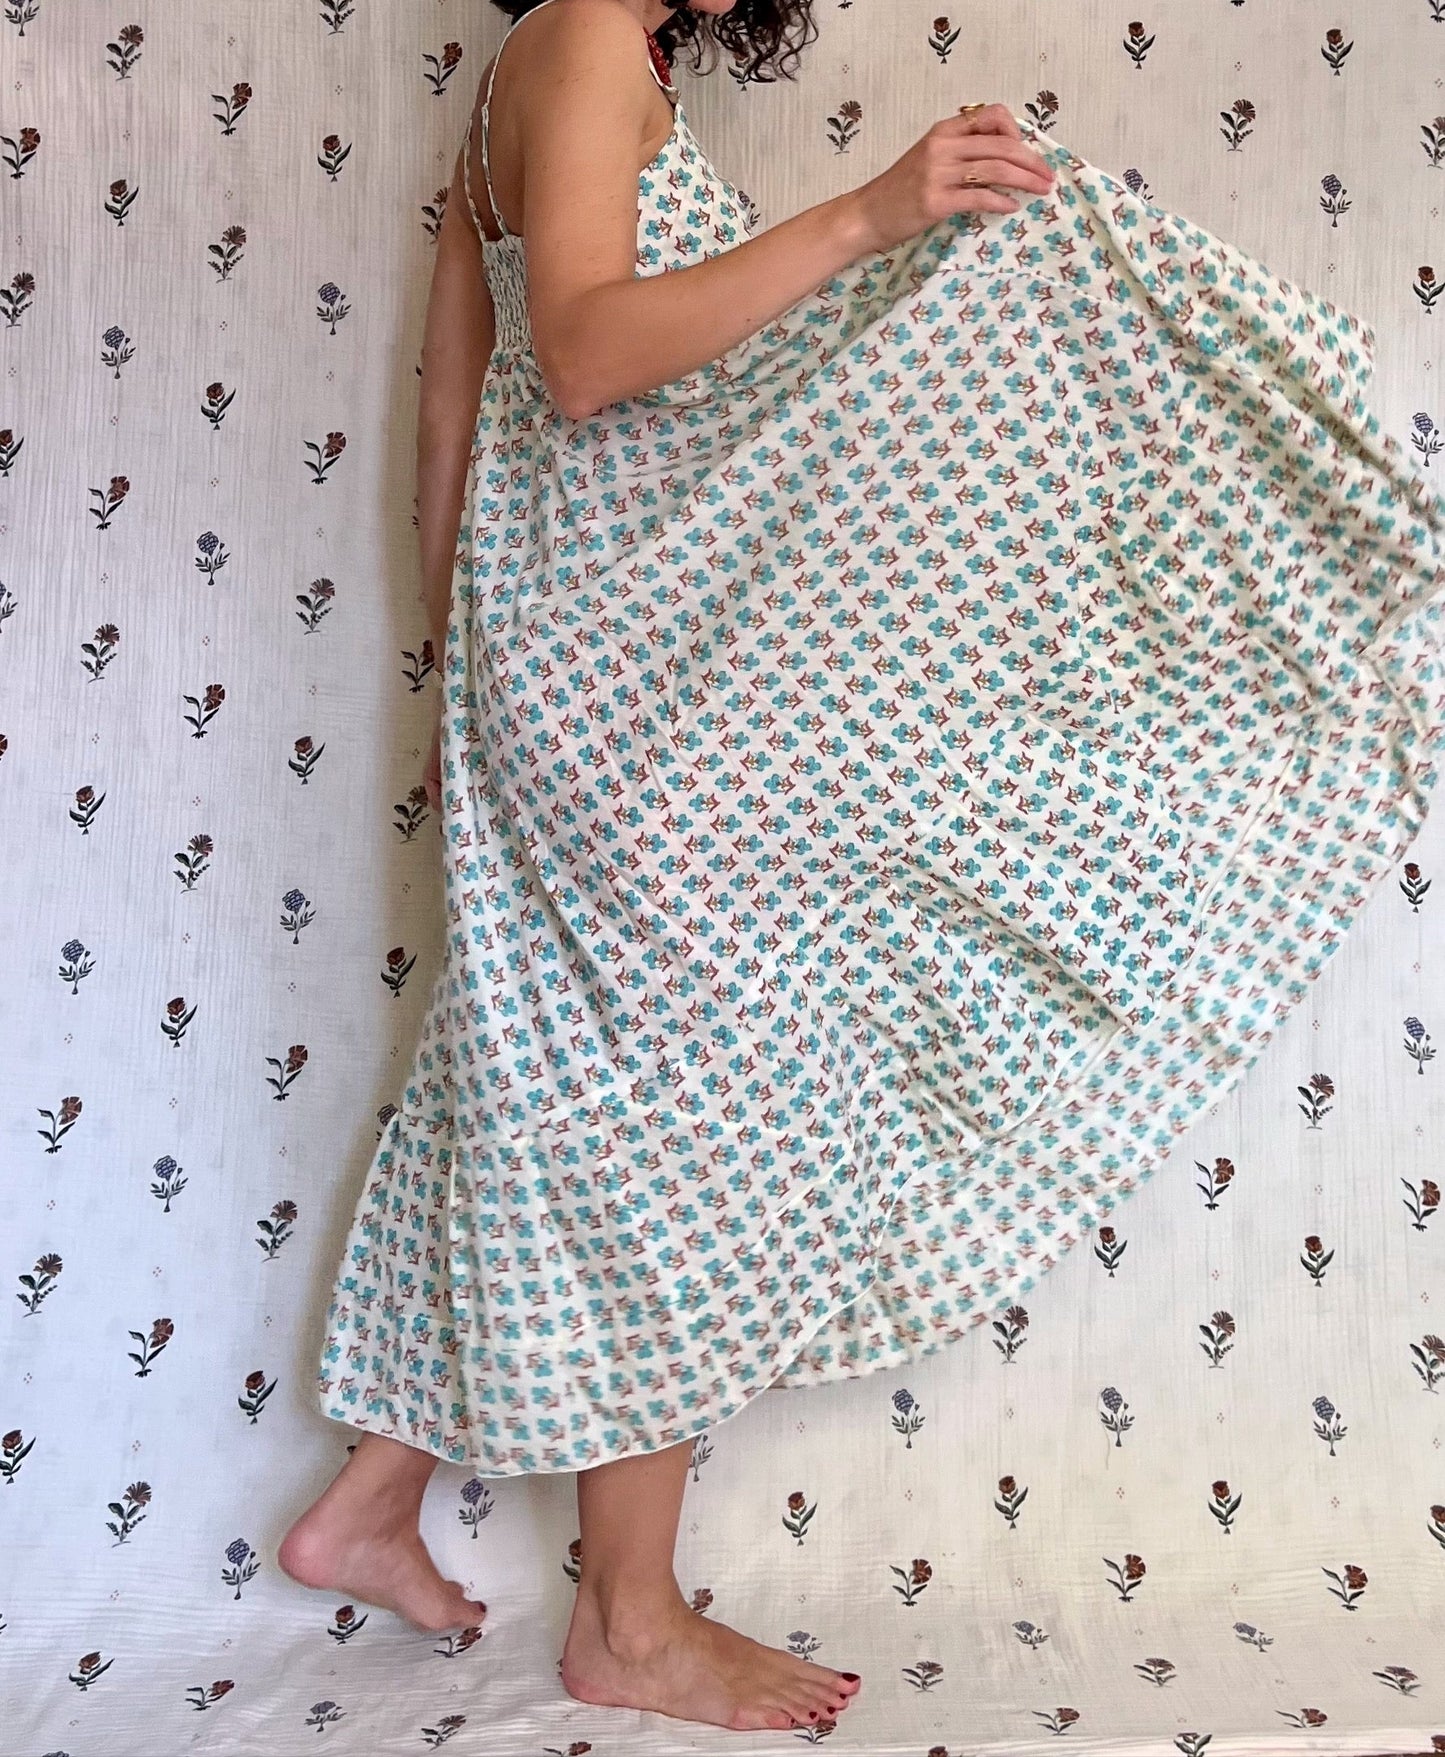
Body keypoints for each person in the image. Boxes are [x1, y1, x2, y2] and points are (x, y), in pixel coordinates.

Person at [280, 0, 1445, 1737]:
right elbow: (582, 358)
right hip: (628, 672)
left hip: (581, 649)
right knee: (669, 1109)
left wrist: (464, 664)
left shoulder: (536, 61)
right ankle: (627, 1618)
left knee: (532, 1065)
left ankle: (370, 1501)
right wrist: (869, 216)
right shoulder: (583, 36)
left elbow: (466, 402)